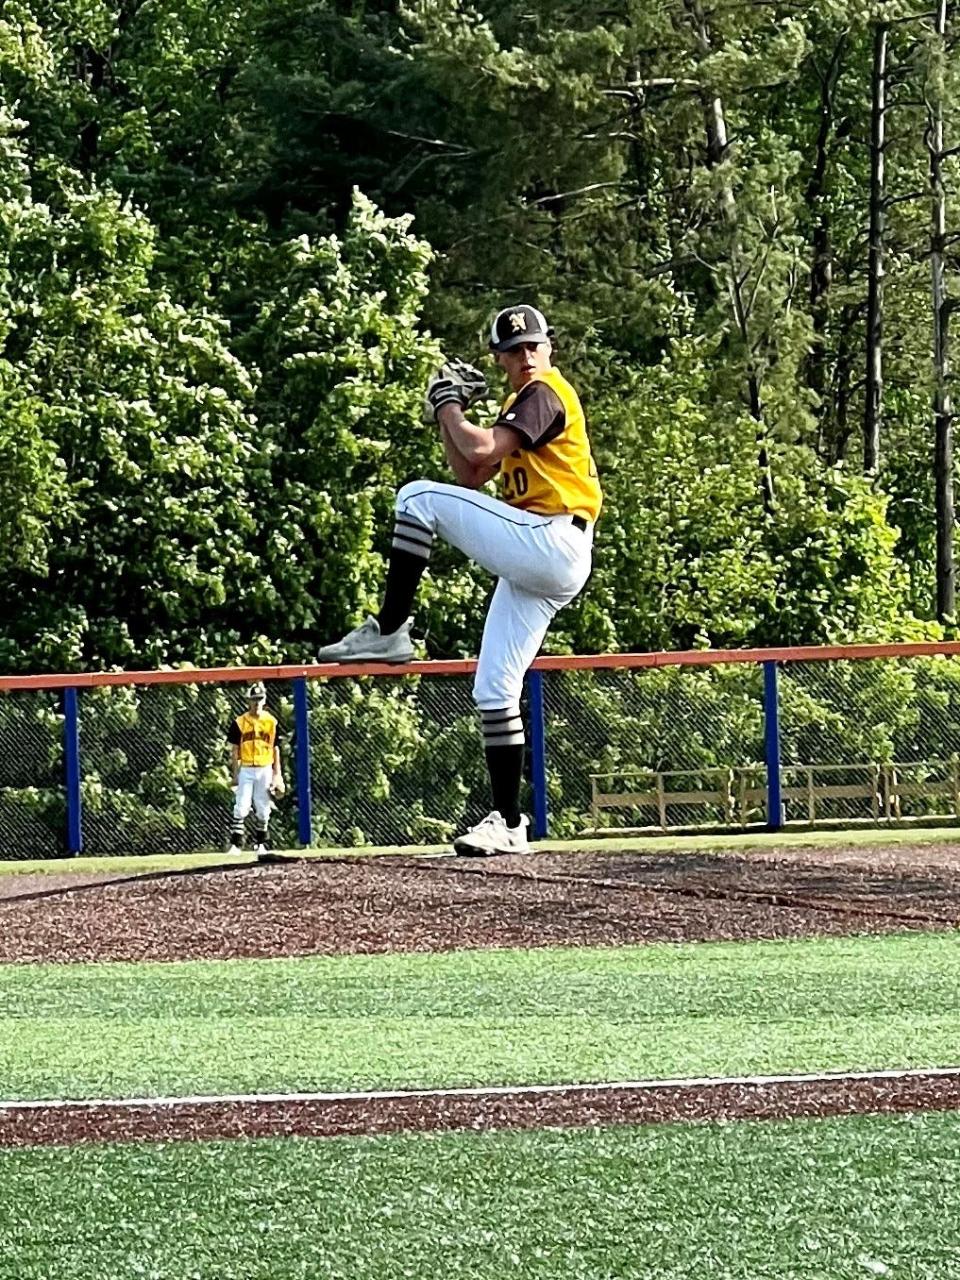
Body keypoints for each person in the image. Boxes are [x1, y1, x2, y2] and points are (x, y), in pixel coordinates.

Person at [318, 304, 602, 856]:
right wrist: (446, 416)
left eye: (533, 346)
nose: (525, 357)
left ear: (550, 349)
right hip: (544, 554)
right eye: (514, 350)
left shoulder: (546, 392)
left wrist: (448, 405)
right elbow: (471, 471)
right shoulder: (520, 401)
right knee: (494, 689)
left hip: (551, 538)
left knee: (415, 499)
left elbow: (476, 449)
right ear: (500, 358)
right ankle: (510, 824)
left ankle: (391, 628)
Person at [227, 682, 285, 857]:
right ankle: (236, 845)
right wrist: (235, 774)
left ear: (264, 700)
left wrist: (277, 775)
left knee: (263, 806)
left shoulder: (271, 722)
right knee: (241, 806)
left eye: (259, 699)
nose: (257, 703)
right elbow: (235, 750)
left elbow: (276, 749)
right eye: (254, 699)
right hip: (246, 768)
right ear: (248, 701)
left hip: (265, 768)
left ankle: (261, 844)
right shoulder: (240, 722)